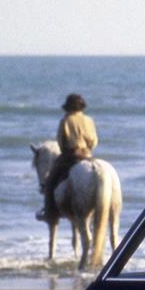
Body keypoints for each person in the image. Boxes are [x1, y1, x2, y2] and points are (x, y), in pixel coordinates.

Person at [37, 93, 99, 221]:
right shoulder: (89, 120)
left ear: (68, 107)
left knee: (50, 182)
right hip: (88, 154)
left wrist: (66, 150)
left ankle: (49, 213)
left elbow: (61, 141)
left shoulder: (66, 120)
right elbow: (94, 141)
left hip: (71, 155)